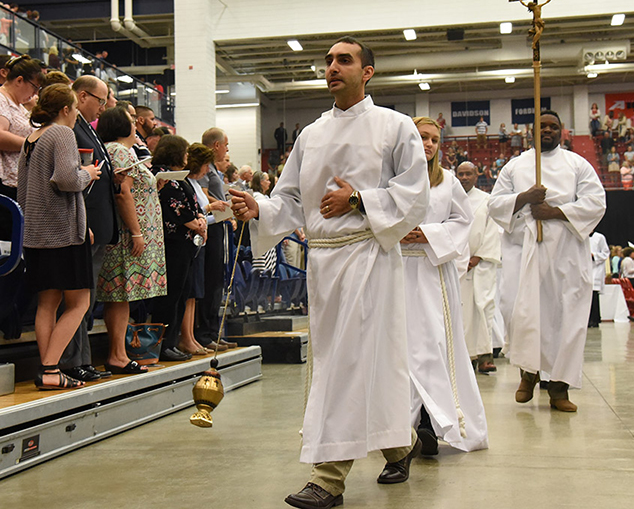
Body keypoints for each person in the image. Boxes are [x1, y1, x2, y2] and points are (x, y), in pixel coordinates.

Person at [230, 37, 429, 509]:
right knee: (355, 361)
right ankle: (401, 443)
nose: (333, 67)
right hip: (324, 262)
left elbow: (415, 193)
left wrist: (358, 199)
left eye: (345, 60)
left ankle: (329, 476)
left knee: (349, 361)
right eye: (328, 61)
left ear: (369, 72)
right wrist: (256, 206)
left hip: (368, 257)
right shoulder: (312, 133)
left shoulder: (395, 127)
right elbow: (291, 200)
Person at [488, 110, 606, 412]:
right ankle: (528, 373)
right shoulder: (515, 167)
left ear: (562, 131)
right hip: (523, 249)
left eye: (553, 126)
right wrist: (525, 198)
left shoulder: (577, 164)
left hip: (566, 250)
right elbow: (495, 205)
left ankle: (559, 388)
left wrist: (553, 212)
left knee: (566, 317)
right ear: (532, 132)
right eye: (542, 126)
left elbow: (596, 203)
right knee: (519, 311)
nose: (548, 130)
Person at [399, 118, 487, 462]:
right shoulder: (392, 177)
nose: (429, 144)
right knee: (401, 348)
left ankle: (432, 424)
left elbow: (462, 222)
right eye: (422, 137)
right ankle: (402, 428)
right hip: (397, 271)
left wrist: (428, 234)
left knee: (434, 345)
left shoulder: (448, 181)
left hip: (432, 271)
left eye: (434, 139)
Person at [16, 83, 100, 389]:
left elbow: (22, 189)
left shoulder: (32, 138)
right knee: (79, 303)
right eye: (76, 108)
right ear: (66, 109)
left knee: (47, 304)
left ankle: (48, 369)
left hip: (36, 233)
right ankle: (51, 369)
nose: (78, 114)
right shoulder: (62, 133)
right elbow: (66, 179)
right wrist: (88, 174)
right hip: (62, 233)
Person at [95, 106, 167, 373]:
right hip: (126, 235)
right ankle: (117, 354)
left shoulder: (123, 151)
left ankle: (120, 352)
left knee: (123, 297)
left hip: (131, 232)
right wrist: (136, 232)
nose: (135, 124)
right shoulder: (119, 150)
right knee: (119, 295)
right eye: (130, 120)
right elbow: (122, 194)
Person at [61, 75, 118, 382]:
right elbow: (71, 179)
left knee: (88, 298)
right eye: (101, 99)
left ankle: (82, 358)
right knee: (78, 299)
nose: (105, 106)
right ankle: (72, 360)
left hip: (98, 225)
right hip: (84, 224)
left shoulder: (87, 128)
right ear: (82, 97)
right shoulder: (71, 128)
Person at [0, 54, 43, 243]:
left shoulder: (19, 106)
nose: (35, 94)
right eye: (34, 87)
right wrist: (32, 144)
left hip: (17, 182)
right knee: (6, 236)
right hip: (0, 180)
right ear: (19, 80)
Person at [150, 135, 207, 362]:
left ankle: (172, 342)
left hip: (185, 243)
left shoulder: (180, 177)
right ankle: (162, 344)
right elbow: (172, 206)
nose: (186, 157)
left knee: (182, 293)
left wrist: (201, 217)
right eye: (184, 152)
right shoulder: (164, 175)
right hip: (172, 243)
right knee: (170, 295)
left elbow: (193, 203)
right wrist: (195, 223)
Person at [180, 143, 227, 356]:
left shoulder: (196, 184)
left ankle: (191, 337)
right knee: (189, 291)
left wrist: (211, 212)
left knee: (194, 293)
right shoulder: (186, 183)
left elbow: (199, 211)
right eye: (206, 165)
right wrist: (210, 208)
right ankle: (187, 337)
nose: (208, 170)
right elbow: (193, 211)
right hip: (190, 240)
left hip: (201, 238)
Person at [456, 161, 501, 374]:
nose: (464, 178)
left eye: (468, 174)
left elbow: (492, 231)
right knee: (461, 311)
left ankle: (485, 355)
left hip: (481, 264)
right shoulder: (451, 199)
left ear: (477, 175)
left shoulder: (487, 201)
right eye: (460, 174)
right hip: (457, 264)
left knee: (483, 307)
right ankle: (464, 356)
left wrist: (477, 257)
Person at [195, 127, 235, 352]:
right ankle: (205, 332)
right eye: (226, 145)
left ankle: (213, 331)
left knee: (217, 280)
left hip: (219, 223)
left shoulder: (215, 170)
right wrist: (220, 205)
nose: (227, 150)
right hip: (209, 225)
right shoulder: (205, 168)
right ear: (217, 145)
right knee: (211, 280)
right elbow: (202, 194)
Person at [588, 231, 610, 328]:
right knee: (586, 298)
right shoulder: (581, 236)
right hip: (585, 269)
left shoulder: (599, 237)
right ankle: (588, 319)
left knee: (593, 296)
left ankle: (595, 320)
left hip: (595, 269)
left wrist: (594, 256)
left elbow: (606, 253)